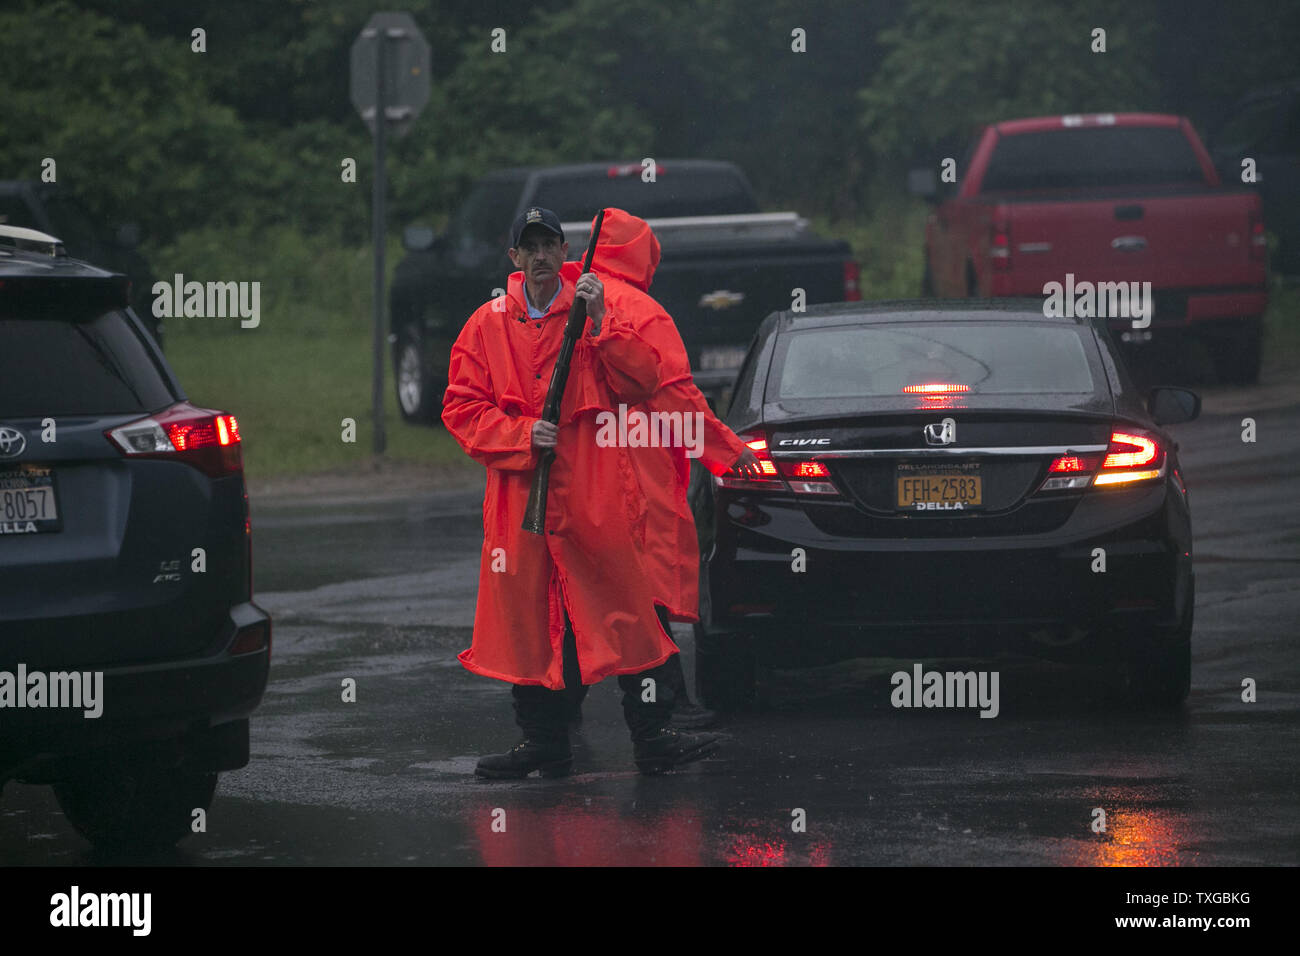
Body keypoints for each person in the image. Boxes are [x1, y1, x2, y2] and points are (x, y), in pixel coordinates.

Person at [441, 206, 724, 778]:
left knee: (626, 610)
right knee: (527, 617)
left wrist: (601, 323)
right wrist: (522, 434)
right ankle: (543, 743)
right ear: (514, 257)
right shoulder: (486, 324)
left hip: (597, 494)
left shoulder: (599, 308)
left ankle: (653, 738)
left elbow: (642, 381)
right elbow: (461, 407)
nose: (542, 255)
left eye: (552, 244)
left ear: (565, 251)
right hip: (523, 499)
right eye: (531, 246)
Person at [558, 209, 762, 729]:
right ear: (642, 257)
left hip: (571, 471)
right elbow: (675, 397)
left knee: (582, 589)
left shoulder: (563, 300)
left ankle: (557, 709)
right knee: (649, 587)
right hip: (634, 469)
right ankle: (668, 705)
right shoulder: (642, 310)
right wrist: (728, 449)